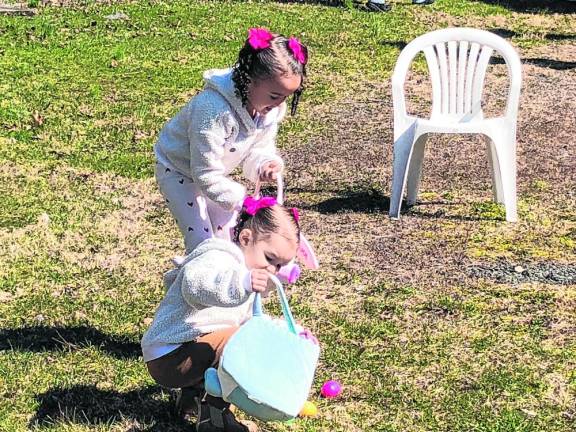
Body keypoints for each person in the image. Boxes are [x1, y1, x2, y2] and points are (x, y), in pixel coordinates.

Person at [141, 197, 301, 432]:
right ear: (246, 238)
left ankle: (191, 403)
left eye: (279, 266)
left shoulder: (246, 276)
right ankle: (215, 419)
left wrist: (291, 333)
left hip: (185, 352)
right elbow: (195, 286)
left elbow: (252, 322)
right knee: (238, 343)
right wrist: (242, 283)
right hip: (169, 355)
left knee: (240, 337)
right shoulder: (217, 256)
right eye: (270, 259)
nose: (273, 270)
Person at [154, 27, 308, 253]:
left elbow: (260, 146)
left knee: (227, 239)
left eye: (287, 97)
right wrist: (244, 201)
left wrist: (264, 164)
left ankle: (222, 286)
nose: (279, 103)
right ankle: (183, 286)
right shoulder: (213, 111)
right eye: (275, 95)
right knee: (203, 244)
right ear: (249, 81)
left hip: (214, 175)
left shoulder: (266, 108)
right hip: (178, 171)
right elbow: (204, 173)